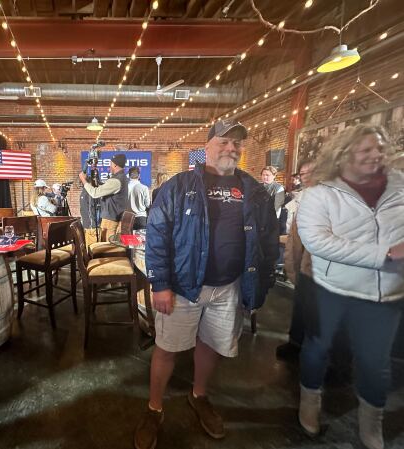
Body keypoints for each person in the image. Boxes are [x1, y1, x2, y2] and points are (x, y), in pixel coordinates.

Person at [135, 119, 279, 449]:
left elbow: (268, 239)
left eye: (237, 144)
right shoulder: (179, 185)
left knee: (212, 344)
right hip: (184, 285)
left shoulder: (254, 190)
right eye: (224, 142)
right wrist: (160, 283)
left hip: (230, 285)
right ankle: (154, 407)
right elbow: (156, 236)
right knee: (167, 348)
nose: (231, 148)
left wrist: (262, 282)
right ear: (208, 145)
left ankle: (199, 395)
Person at [296, 124, 404, 449]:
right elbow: (317, 241)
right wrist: (383, 254)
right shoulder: (319, 194)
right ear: (344, 155)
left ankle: (372, 423)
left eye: (379, 148)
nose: (376, 155)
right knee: (317, 348)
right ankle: (309, 403)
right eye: (366, 149)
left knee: (375, 362)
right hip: (330, 288)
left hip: (387, 292)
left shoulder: (400, 185)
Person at [275, 158, 316, 361]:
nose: (306, 176)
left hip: (320, 265)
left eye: (311, 171)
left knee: (316, 311)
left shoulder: (328, 196)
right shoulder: (301, 197)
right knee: (300, 306)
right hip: (302, 261)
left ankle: (312, 350)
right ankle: (295, 343)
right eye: (303, 172)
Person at [78, 153, 129, 238]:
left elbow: (95, 193)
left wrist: (83, 180)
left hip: (110, 221)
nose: (109, 166)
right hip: (113, 218)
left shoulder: (116, 181)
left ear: (115, 165)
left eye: (110, 164)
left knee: (107, 248)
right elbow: (104, 187)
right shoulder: (121, 178)